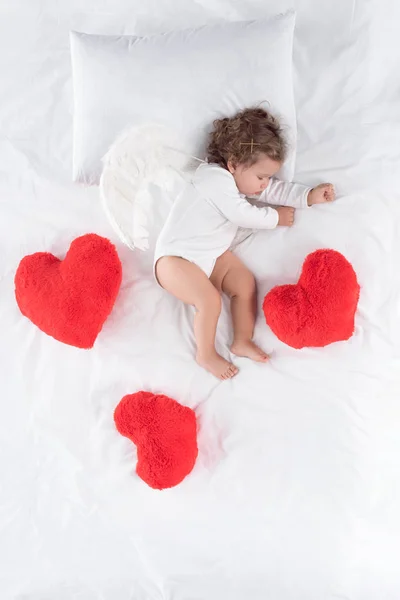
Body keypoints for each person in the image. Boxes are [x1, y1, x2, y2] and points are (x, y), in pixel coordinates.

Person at [154, 107, 335, 380]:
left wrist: (308, 196)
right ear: (234, 163)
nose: (265, 185)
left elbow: (275, 190)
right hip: (174, 261)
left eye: (267, 177)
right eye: (261, 177)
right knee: (210, 301)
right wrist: (275, 217)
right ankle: (205, 354)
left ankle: (241, 340)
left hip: (210, 257)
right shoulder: (212, 178)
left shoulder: (242, 179)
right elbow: (241, 213)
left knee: (244, 283)